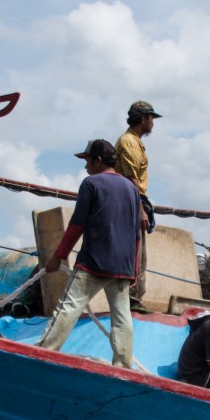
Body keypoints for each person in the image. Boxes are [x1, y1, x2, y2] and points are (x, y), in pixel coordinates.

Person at [37, 139, 141, 369]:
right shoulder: (132, 189)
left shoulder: (90, 184)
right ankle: (123, 366)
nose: (85, 167)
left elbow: (76, 225)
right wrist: (133, 271)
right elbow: (137, 235)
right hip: (123, 266)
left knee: (69, 306)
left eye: (87, 161)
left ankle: (44, 352)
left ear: (98, 161)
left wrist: (58, 256)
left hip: (94, 262)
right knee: (122, 317)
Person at [114, 100, 161, 313]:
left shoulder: (135, 142)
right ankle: (131, 299)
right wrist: (140, 208)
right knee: (135, 254)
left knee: (140, 255)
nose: (153, 123)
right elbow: (131, 179)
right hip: (131, 202)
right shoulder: (129, 143)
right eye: (151, 118)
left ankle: (134, 299)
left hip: (134, 200)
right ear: (143, 119)